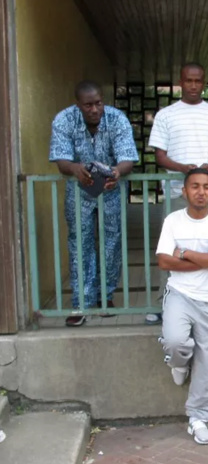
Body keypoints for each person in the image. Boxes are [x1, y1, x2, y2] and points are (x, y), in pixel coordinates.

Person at [145, 62, 208, 324]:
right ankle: (165, 303)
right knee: (171, 247)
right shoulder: (166, 114)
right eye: (188, 80)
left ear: (204, 83)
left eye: (198, 81)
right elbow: (159, 156)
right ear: (180, 81)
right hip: (176, 191)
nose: (193, 85)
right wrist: (184, 170)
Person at [49, 80, 138, 327]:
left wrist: (117, 172)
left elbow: (128, 159)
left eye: (98, 103)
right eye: (88, 105)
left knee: (111, 243)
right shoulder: (63, 120)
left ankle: (105, 297)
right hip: (78, 191)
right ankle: (80, 302)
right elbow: (61, 161)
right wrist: (75, 168)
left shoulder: (117, 119)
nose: (94, 109)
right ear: (78, 104)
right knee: (79, 244)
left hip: (111, 189)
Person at [157, 168, 208, 445]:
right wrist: (206, 258)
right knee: (176, 342)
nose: (200, 192)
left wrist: (187, 253)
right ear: (184, 191)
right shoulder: (173, 221)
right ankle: (178, 362)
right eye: (195, 187)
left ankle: (198, 418)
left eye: (205, 187)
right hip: (179, 293)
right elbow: (165, 262)